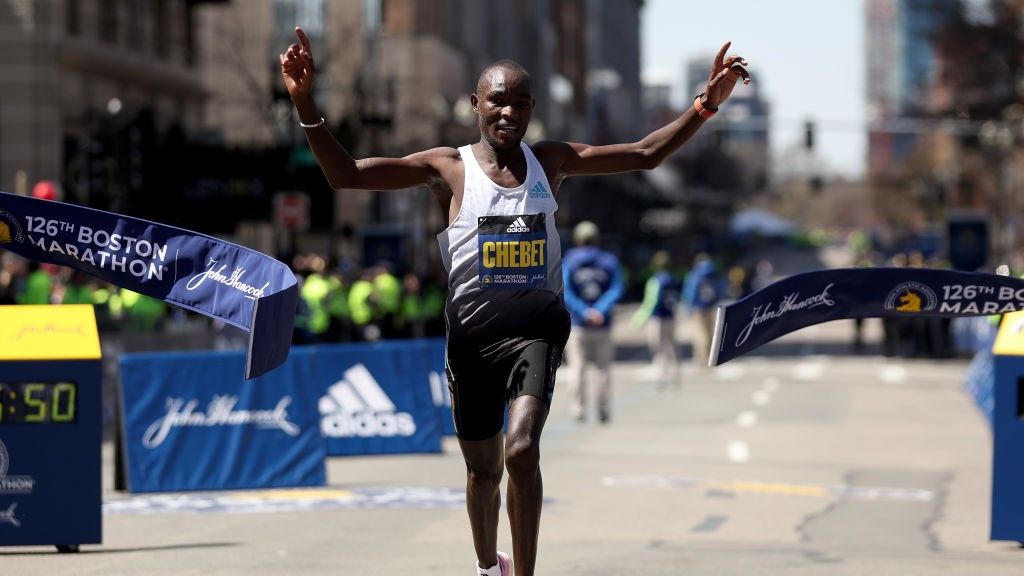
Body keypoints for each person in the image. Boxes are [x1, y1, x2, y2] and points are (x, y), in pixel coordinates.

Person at [280, 27, 749, 576]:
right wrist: (303, 101)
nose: (509, 112)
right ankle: (488, 567)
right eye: (498, 100)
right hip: (472, 344)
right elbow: (346, 176)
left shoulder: (550, 162)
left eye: (521, 103)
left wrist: (704, 107)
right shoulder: (447, 169)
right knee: (483, 471)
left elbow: (645, 155)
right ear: (475, 105)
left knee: (521, 450)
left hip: (537, 333)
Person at [563, 221, 624, 423]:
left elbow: (566, 291)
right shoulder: (609, 261)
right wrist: (599, 310)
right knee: (603, 369)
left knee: (577, 369)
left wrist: (584, 311)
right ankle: (603, 409)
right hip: (603, 324)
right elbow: (616, 289)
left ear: (577, 240)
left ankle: (577, 409)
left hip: (578, 325)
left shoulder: (570, 261)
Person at [631, 250, 681, 390]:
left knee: (659, 350)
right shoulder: (675, 279)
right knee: (672, 348)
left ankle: (661, 378)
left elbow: (650, 302)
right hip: (671, 317)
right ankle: (675, 376)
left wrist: (639, 320)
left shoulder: (655, 281)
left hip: (658, 319)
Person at [682, 253, 724, 366]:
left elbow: (689, 293)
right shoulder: (713, 274)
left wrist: (688, 308)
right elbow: (721, 289)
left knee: (700, 334)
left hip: (698, 308)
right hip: (711, 306)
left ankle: (702, 358)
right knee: (710, 333)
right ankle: (711, 355)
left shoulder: (694, 275)